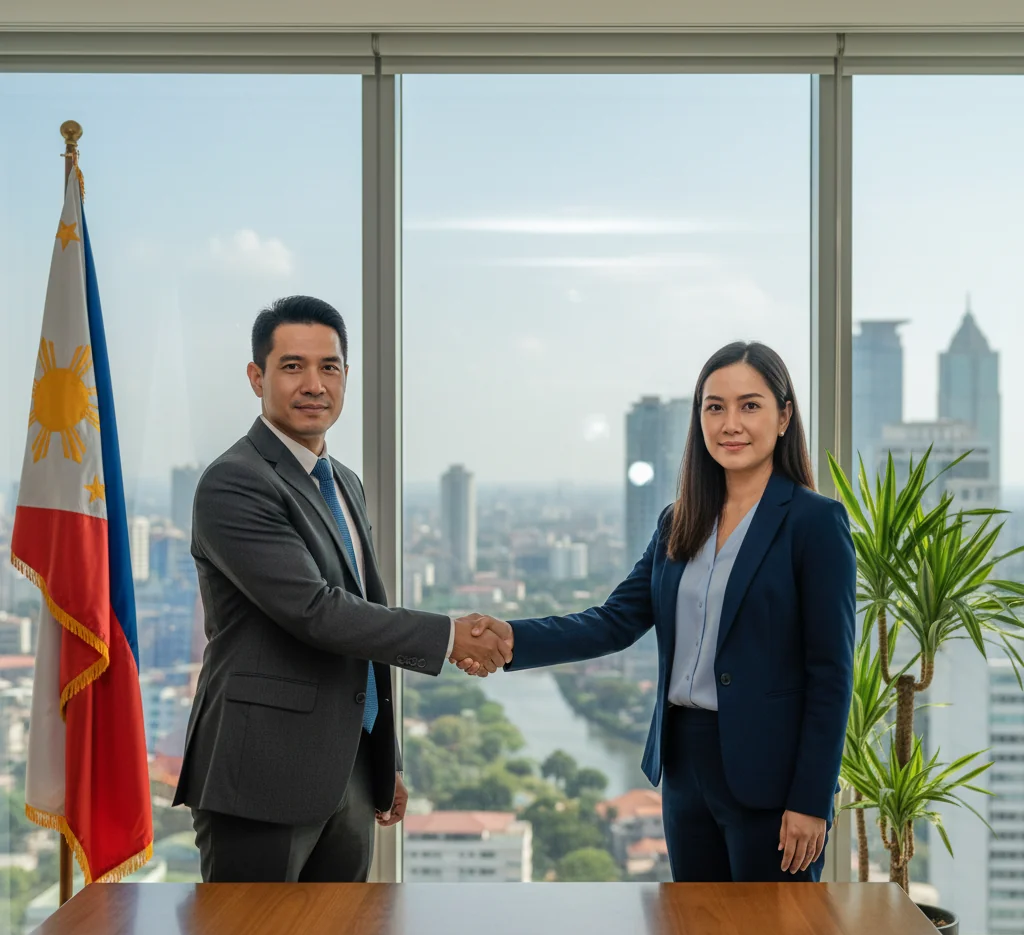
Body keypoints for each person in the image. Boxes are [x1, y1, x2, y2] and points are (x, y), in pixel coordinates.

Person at [458, 342, 855, 882]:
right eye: (714, 407)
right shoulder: (679, 520)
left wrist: (812, 798)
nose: (730, 423)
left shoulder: (814, 523)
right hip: (684, 765)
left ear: (784, 416)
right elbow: (614, 620)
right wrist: (511, 638)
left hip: (771, 774)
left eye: (750, 405)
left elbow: (831, 674)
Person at [174, 295, 511, 882]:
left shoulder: (344, 483)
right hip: (262, 775)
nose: (314, 384)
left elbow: (366, 614)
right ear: (257, 378)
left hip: (350, 771)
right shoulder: (234, 483)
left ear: (346, 377)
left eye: (329, 367)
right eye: (292, 366)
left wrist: (385, 761)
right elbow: (317, 612)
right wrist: (451, 635)